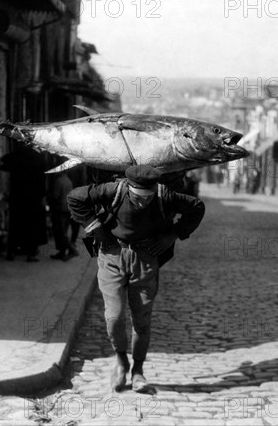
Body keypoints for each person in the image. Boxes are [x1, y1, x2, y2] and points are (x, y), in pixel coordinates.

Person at [67, 165, 205, 393]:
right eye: (138, 197)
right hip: (111, 256)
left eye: (147, 197)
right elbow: (75, 198)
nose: (142, 202)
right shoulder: (113, 190)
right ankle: (121, 361)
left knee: (141, 320)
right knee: (114, 316)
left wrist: (172, 235)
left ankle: (138, 370)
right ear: (129, 187)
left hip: (145, 259)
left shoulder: (164, 195)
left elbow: (197, 207)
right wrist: (96, 228)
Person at [0, 146, 48, 262]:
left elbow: (4, 164)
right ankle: (31, 253)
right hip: (33, 198)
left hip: (17, 196)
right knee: (32, 225)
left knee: (15, 224)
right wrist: (43, 196)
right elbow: (43, 179)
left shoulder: (15, 155)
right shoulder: (38, 157)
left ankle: (11, 252)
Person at [47, 171, 78, 261]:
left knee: (60, 232)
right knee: (64, 230)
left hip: (59, 209)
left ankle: (72, 250)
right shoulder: (69, 181)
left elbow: (55, 196)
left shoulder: (59, 181)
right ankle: (62, 252)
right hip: (67, 209)